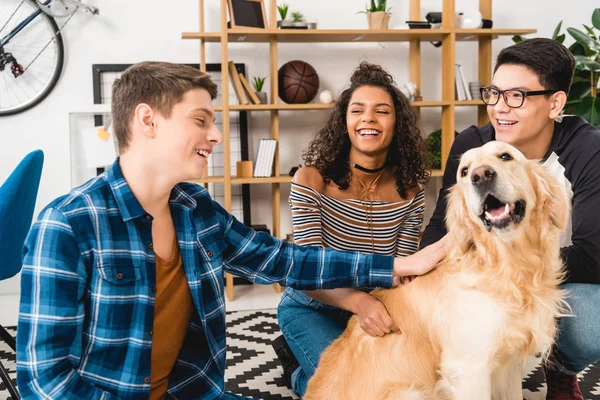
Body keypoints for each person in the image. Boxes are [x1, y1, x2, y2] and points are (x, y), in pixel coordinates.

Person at [16, 62, 450, 400]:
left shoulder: (194, 208)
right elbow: (46, 383)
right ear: (147, 121)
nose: (217, 135)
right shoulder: (68, 226)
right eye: (201, 120)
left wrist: (398, 263)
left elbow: (284, 259)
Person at [420, 38, 600, 400]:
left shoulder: (587, 149)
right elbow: (445, 226)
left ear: (555, 103)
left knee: (594, 326)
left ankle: (561, 368)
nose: (500, 108)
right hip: (485, 278)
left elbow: (594, 255)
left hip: (557, 280)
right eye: (495, 93)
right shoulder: (472, 146)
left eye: (517, 96)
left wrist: (514, 265)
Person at [273, 61, 437, 397]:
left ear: (398, 123)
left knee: (403, 383)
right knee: (346, 389)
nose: (368, 119)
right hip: (312, 307)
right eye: (357, 110)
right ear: (344, 121)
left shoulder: (411, 191)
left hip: (379, 306)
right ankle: (294, 369)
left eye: (382, 111)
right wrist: (360, 304)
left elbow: (403, 270)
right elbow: (307, 271)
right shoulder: (310, 179)